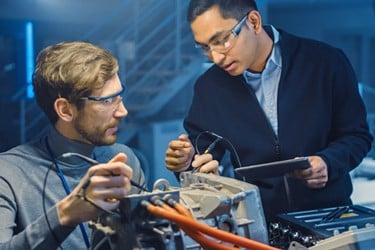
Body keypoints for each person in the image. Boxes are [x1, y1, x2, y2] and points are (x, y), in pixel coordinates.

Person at [165, 0, 373, 223]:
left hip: (328, 217)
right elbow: (202, 158)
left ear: (253, 22)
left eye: (222, 40)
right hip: (255, 224)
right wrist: (186, 164)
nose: (215, 57)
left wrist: (329, 163)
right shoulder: (209, 88)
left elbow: (356, 136)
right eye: (205, 47)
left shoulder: (325, 63)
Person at [0, 41, 146, 249]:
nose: (123, 111)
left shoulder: (124, 159)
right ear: (65, 110)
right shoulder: (8, 174)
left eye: (119, 97)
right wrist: (65, 215)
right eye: (107, 101)